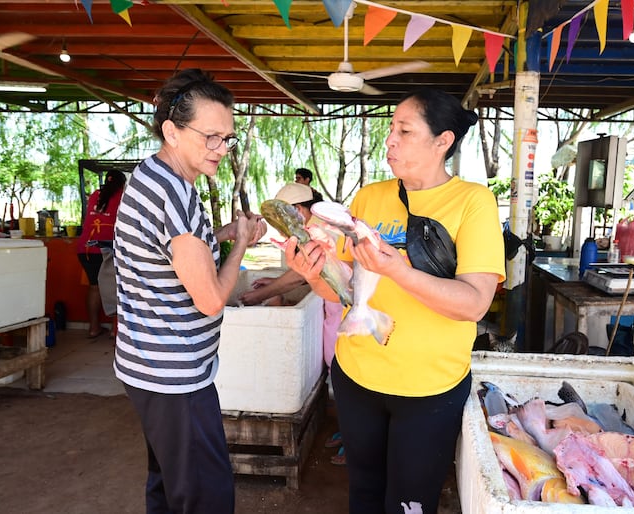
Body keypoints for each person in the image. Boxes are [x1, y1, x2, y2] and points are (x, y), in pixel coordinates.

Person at [283, 88, 506, 513]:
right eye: (391, 130)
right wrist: (312, 273)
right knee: (364, 493)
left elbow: (475, 303)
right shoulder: (371, 197)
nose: (390, 141)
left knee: (410, 503)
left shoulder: (472, 202)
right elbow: (343, 289)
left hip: (428, 390)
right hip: (357, 377)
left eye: (404, 131)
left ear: (443, 141)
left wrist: (398, 270)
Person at [113, 68, 267, 514]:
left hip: (148, 364)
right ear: (172, 131)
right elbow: (212, 299)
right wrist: (240, 244)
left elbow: (178, 249)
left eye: (228, 139)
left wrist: (224, 232)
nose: (221, 149)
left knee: (170, 486)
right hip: (175, 375)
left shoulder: (153, 175)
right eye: (211, 137)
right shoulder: (174, 195)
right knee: (205, 496)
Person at [239, 181, 346, 464]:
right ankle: (348, 431)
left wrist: (261, 294)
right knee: (336, 369)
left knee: (344, 370)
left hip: (345, 309)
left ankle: (356, 440)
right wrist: (274, 283)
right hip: (333, 308)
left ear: (298, 210)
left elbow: (303, 275)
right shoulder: (309, 226)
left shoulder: (320, 230)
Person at [77, 169, 126, 338]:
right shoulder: (122, 195)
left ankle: (94, 328)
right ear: (121, 183)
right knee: (116, 288)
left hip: (85, 248)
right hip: (106, 248)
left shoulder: (95, 195)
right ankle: (116, 331)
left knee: (94, 287)